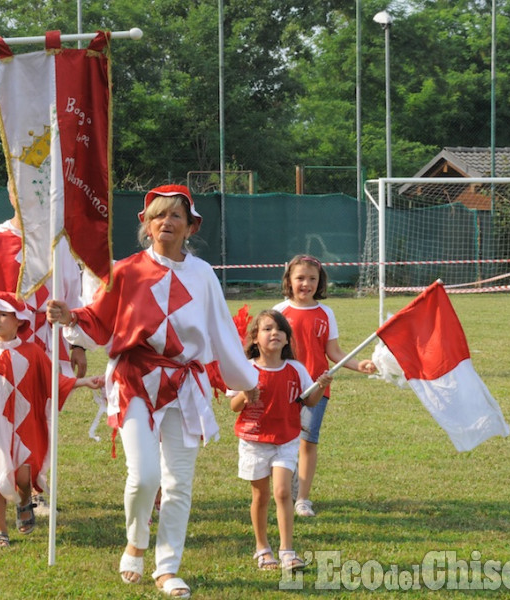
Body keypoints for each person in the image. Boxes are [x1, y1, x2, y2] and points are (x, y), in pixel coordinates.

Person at [46, 184, 259, 598]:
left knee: (178, 483)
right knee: (143, 477)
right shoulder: (125, 270)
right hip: (134, 381)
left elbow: (221, 332)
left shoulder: (202, 276)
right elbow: (100, 318)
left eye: (176, 215)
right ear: (146, 224)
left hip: (185, 385)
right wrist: (69, 316)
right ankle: (135, 543)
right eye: (159, 215)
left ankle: (167, 567)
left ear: (190, 226)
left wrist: (247, 382)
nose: (167, 222)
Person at [0, 291, 104, 548]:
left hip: (26, 427)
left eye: (3, 314)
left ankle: (25, 500)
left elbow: (52, 381)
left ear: (19, 321)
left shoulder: (32, 352)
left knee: (24, 476)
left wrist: (82, 382)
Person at [0, 180, 86, 516]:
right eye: (21, 190)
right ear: (10, 194)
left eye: (37, 190)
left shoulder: (59, 243)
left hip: (46, 348)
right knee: (3, 421)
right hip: (3, 353)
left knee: (42, 421)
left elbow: (73, 298)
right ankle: (7, 488)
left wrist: (77, 345)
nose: (29, 198)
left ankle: (38, 490)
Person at [273, 255, 376, 518]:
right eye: (300, 278)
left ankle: (303, 499)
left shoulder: (326, 313)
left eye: (312, 279)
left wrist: (358, 365)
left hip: (317, 388)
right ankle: (284, 489)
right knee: (284, 440)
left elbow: (334, 352)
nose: (305, 284)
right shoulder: (279, 312)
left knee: (308, 441)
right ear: (289, 280)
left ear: (320, 283)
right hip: (284, 386)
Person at [229, 310, 332, 571]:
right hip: (254, 441)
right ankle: (263, 548)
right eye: (267, 329)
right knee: (261, 496)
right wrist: (246, 393)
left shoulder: (296, 369)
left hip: (286, 439)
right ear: (255, 338)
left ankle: (287, 551)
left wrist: (320, 386)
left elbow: (308, 401)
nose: (274, 333)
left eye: (280, 330)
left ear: (287, 339)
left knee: (283, 492)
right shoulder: (246, 369)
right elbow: (234, 406)